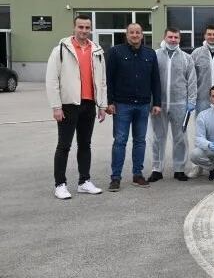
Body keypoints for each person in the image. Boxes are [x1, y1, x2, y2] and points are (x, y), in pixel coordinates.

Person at [46, 14, 108, 199]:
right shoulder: (61, 50)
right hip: (68, 105)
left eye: (87, 27)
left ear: (91, 29)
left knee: (85, 144)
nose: (84, 30)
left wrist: (102, 105)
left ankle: (84, 182)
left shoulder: (97, 51)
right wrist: (56, 106)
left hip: (89, 104)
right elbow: (52, 80)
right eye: (80, 27)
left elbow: (102, 80)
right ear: (74, 28)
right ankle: (60, 184)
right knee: (64, 146)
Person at [106, 23, 161, 192]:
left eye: (138, 32)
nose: (135, 35)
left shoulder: (150, 54)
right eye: (132, 32)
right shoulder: (116, 52)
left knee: (140, 141)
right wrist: (109, 102)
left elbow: (155, 80)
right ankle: (115, 177)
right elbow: (108, 78)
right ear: (127, 35)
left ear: (142, 35)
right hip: (122, 105)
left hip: (143, 105)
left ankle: (137, 174)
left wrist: (157, 102)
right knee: (120, 141)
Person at [149, 27, 197, 183]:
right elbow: (149, 79)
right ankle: (157, 169)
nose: (173, 40)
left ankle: (179, 169)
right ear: (165, 37)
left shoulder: (186, 58)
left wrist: (191, 100)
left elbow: (192, 80)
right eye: (170, 37)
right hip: (158, 104)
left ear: (179, 39)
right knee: (158, 137)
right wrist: (151, 100)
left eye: (176, 37)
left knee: (180, 137)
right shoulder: (155, 56)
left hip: (179, 104)